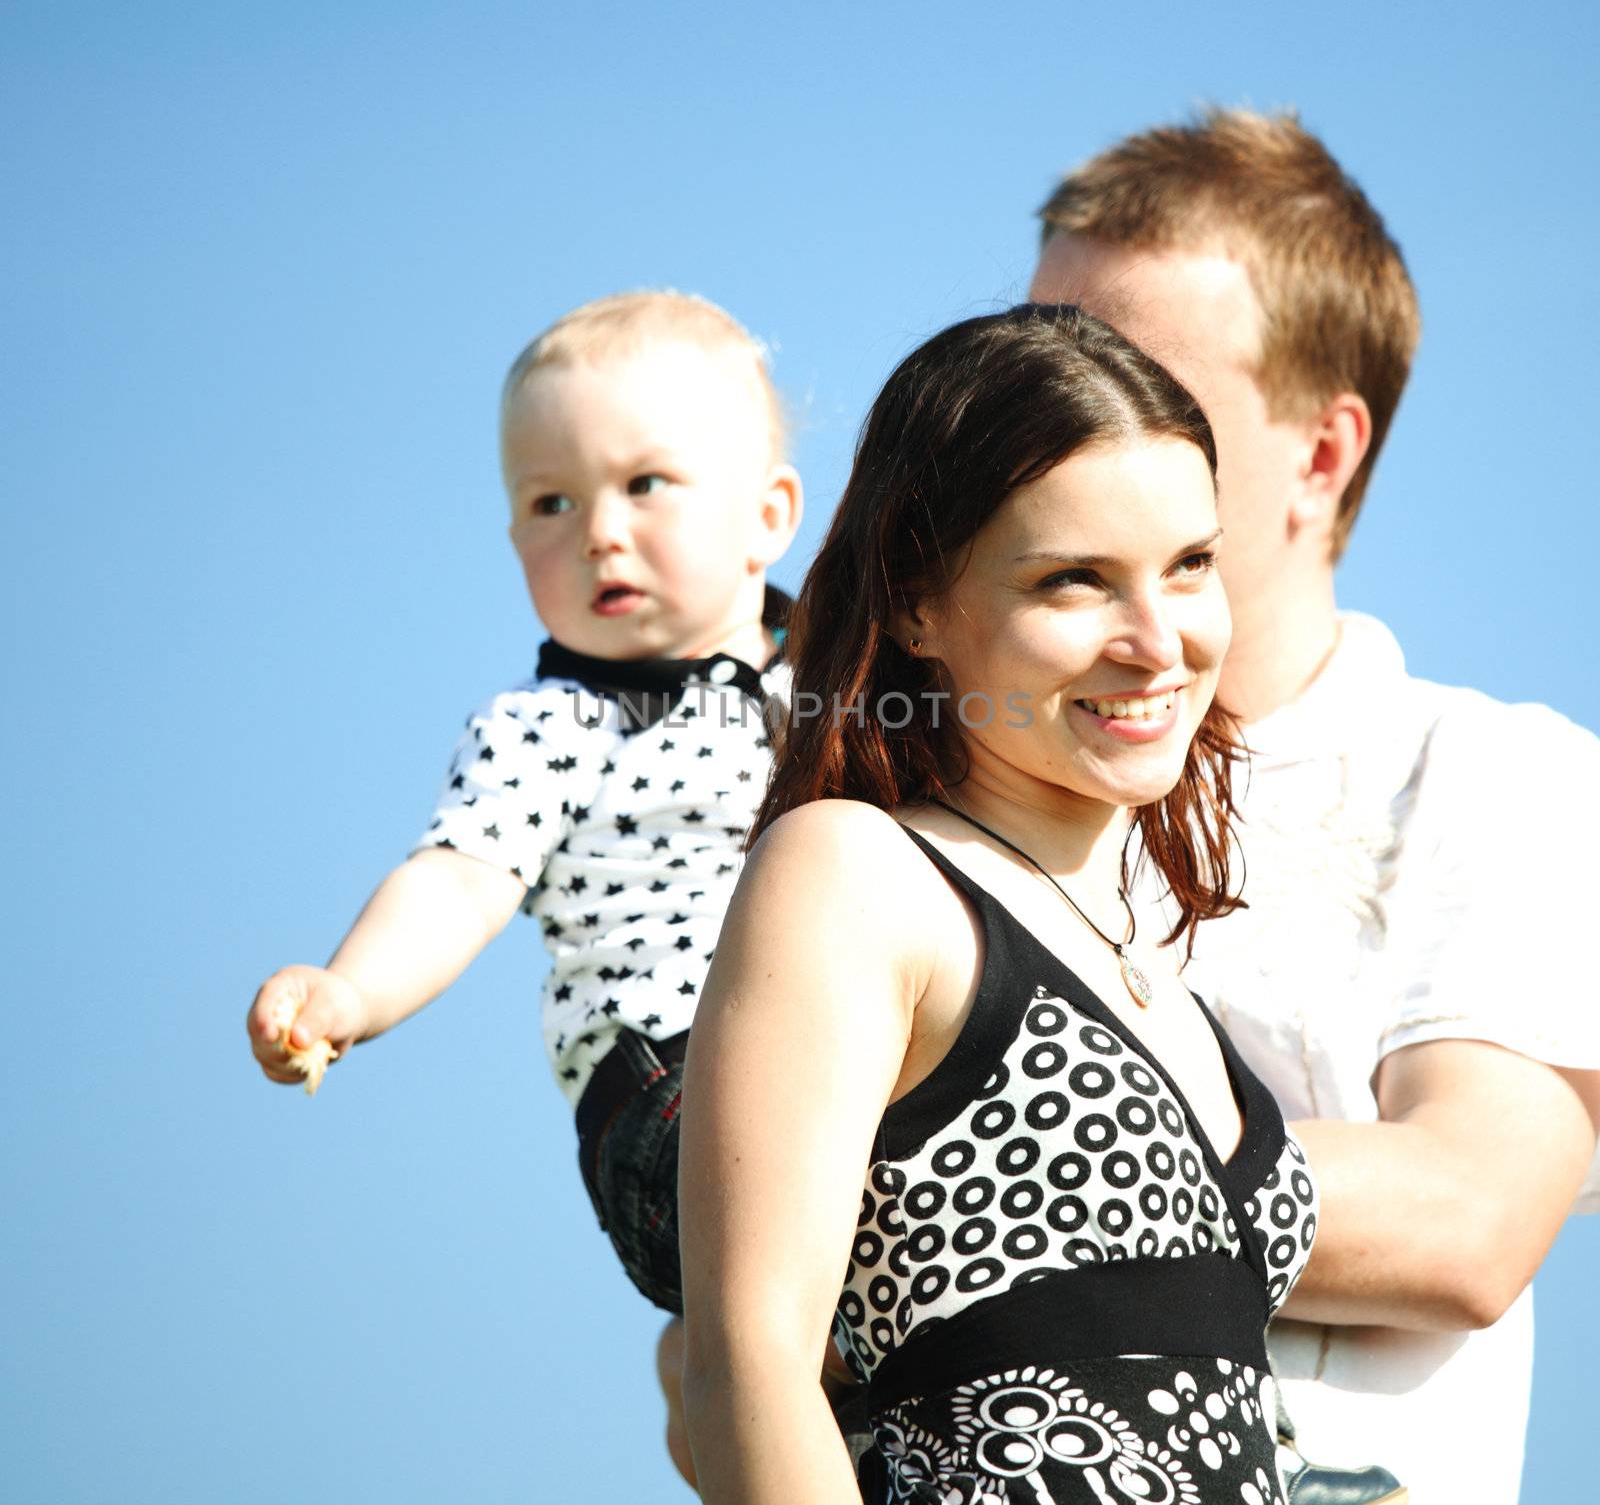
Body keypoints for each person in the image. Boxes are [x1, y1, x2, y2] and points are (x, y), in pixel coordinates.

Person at [1027, 109, 1600, 1502]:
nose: (1046, 434)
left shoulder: (1499, 775)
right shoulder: (927, 792)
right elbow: (729, 1339)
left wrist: (980, 1153)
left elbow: (1462, 1221)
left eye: (1133, 385)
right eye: (1028, 371)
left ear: (1323, 455)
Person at [678, 304, 1324, 1504]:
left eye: (1190, 564)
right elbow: (744, 1365)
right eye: (1073, 581)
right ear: (919, 602)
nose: (1155, 639)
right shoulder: (857, 875)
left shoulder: (1141, 952)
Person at [244, 292, 802, 1454]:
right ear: (513, 543)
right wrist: (348, 993)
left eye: (645, 483)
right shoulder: (549, 728)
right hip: (675, 1100)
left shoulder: (850, 680)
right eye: (550, 502)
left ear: (768, 516)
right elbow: (459, 875)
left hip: (851, 1061)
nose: (597, 529)